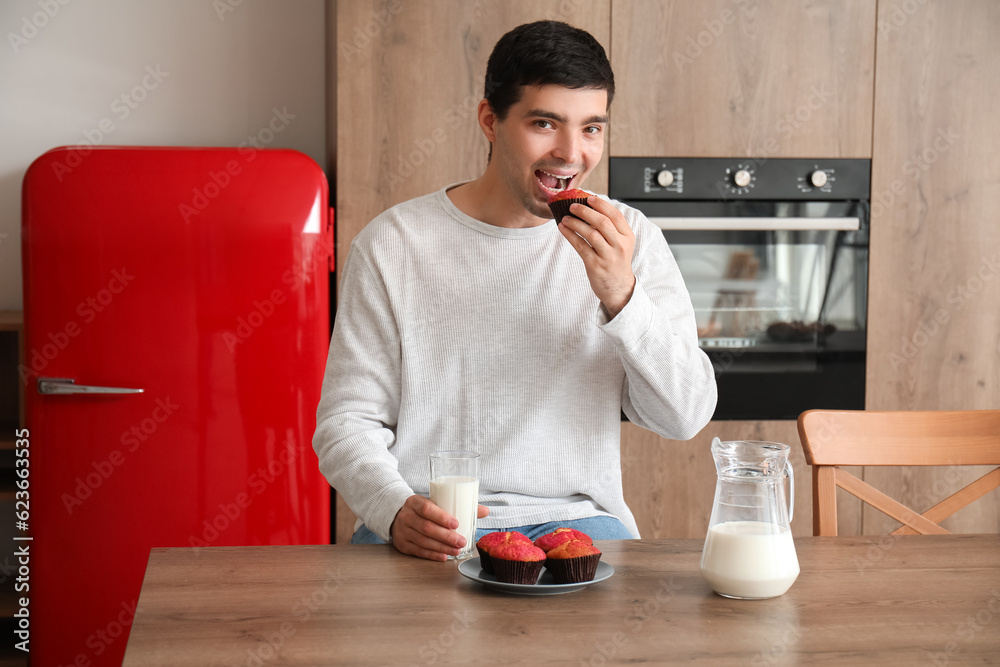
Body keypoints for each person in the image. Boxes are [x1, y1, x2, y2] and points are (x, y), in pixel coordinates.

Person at [313, 20, 717, 561]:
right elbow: (346, 422)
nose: (571, 154)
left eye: (592, 128)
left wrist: (622, 296)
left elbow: (684, 416)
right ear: (490, 120)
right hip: (435, 525)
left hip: (582, 524)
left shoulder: (629, 240)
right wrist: (390, 506)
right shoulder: (393, 244)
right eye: (545, 123)